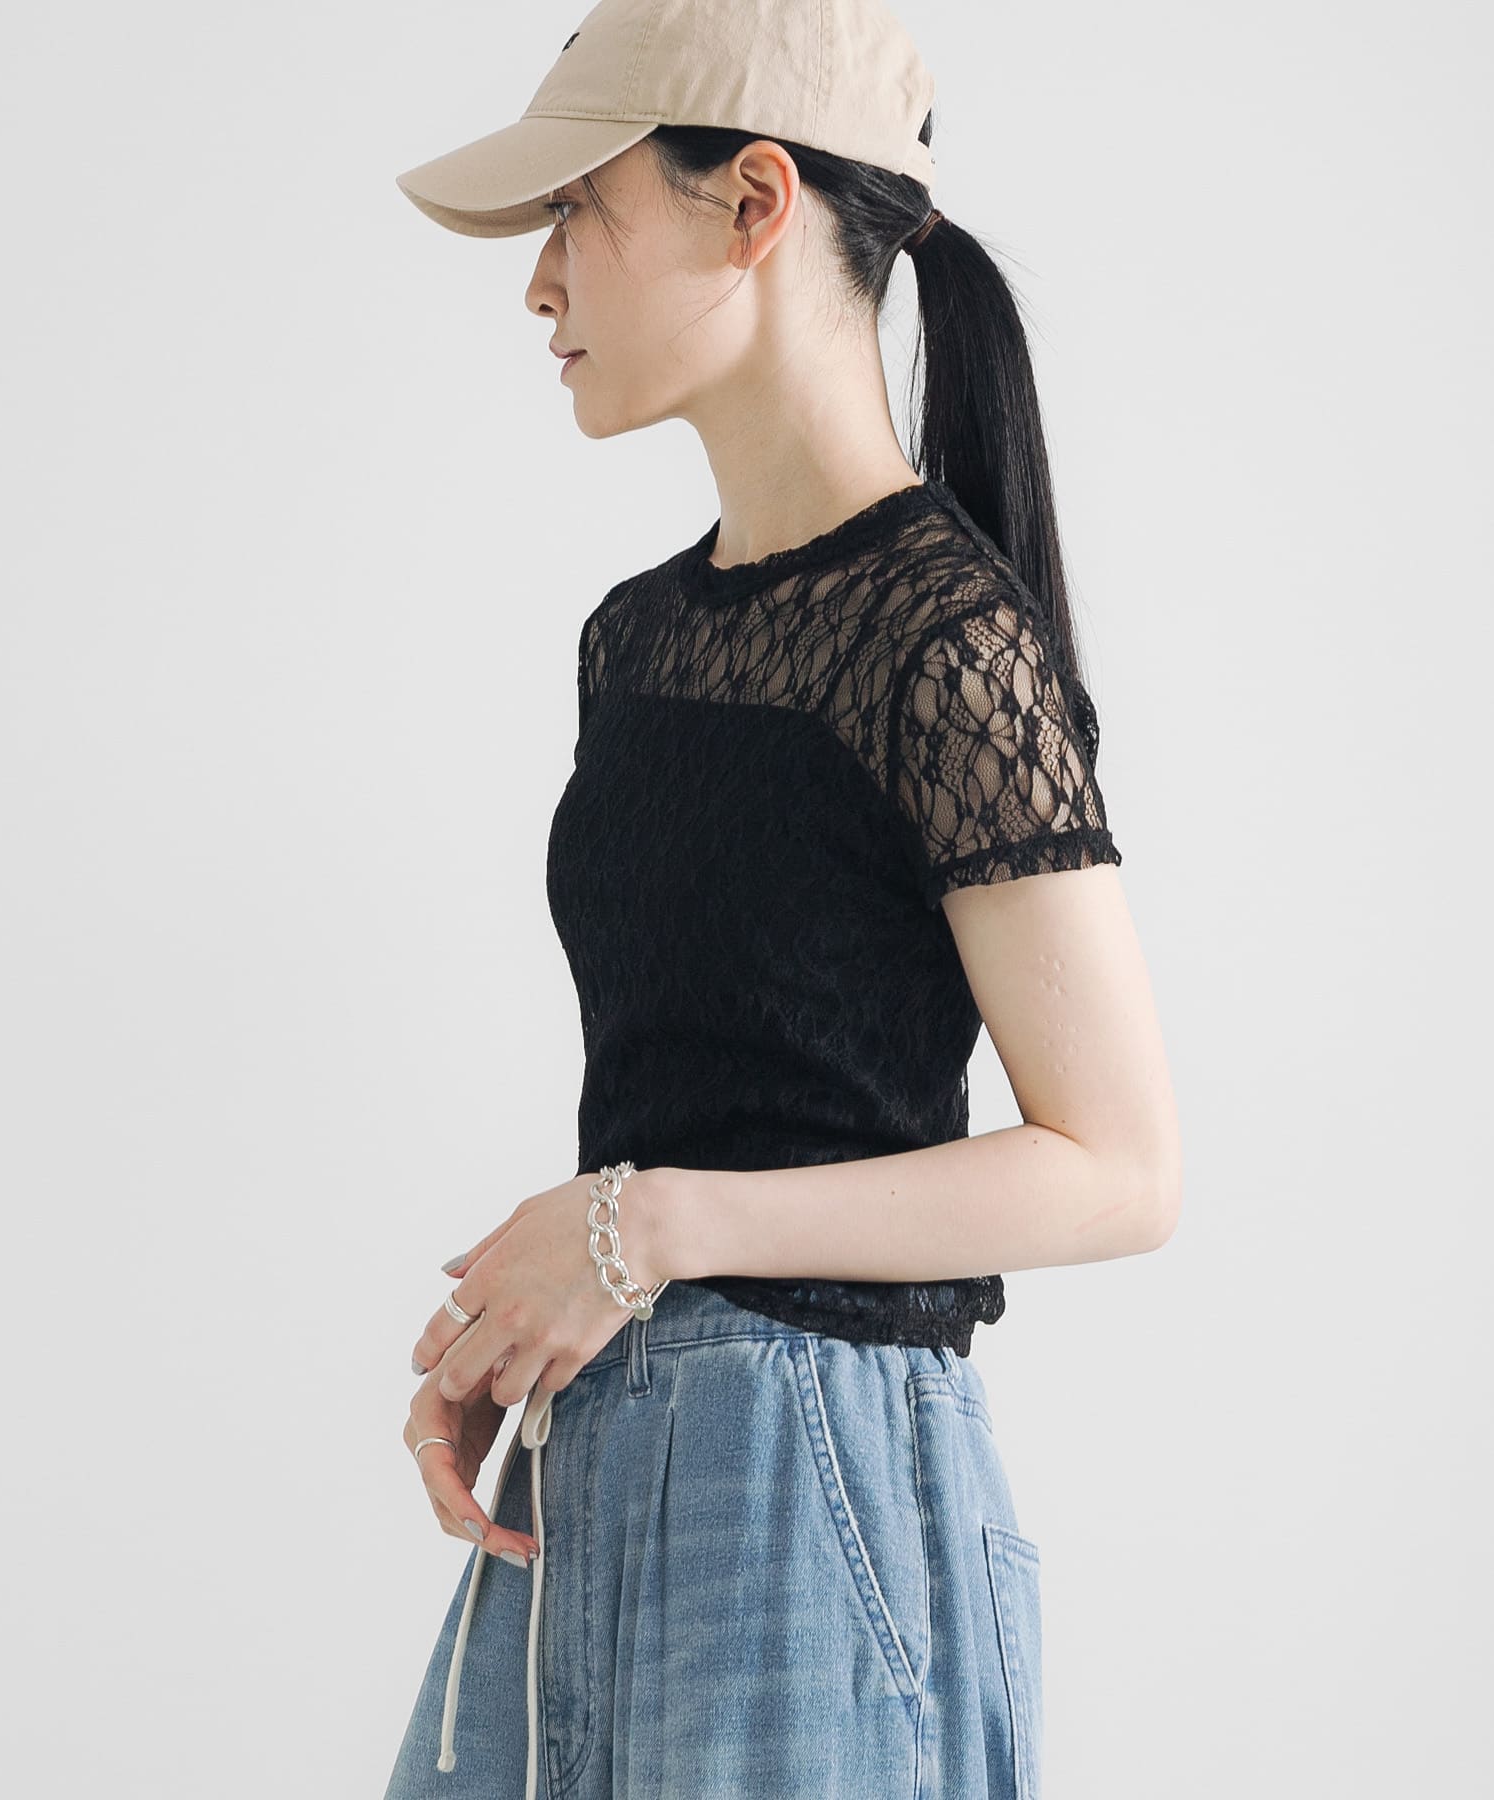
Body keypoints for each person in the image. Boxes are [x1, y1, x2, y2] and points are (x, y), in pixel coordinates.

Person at [383, 1, 1182, 1795]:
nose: (540, 283)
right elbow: (698, 1099)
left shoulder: (949, 644)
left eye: (574, 211)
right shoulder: (637, 640)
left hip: (810, 1490)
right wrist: (544, 1313)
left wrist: (644, 1230)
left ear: (754, 203)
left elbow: (1122, 1169)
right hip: (592, 1461)